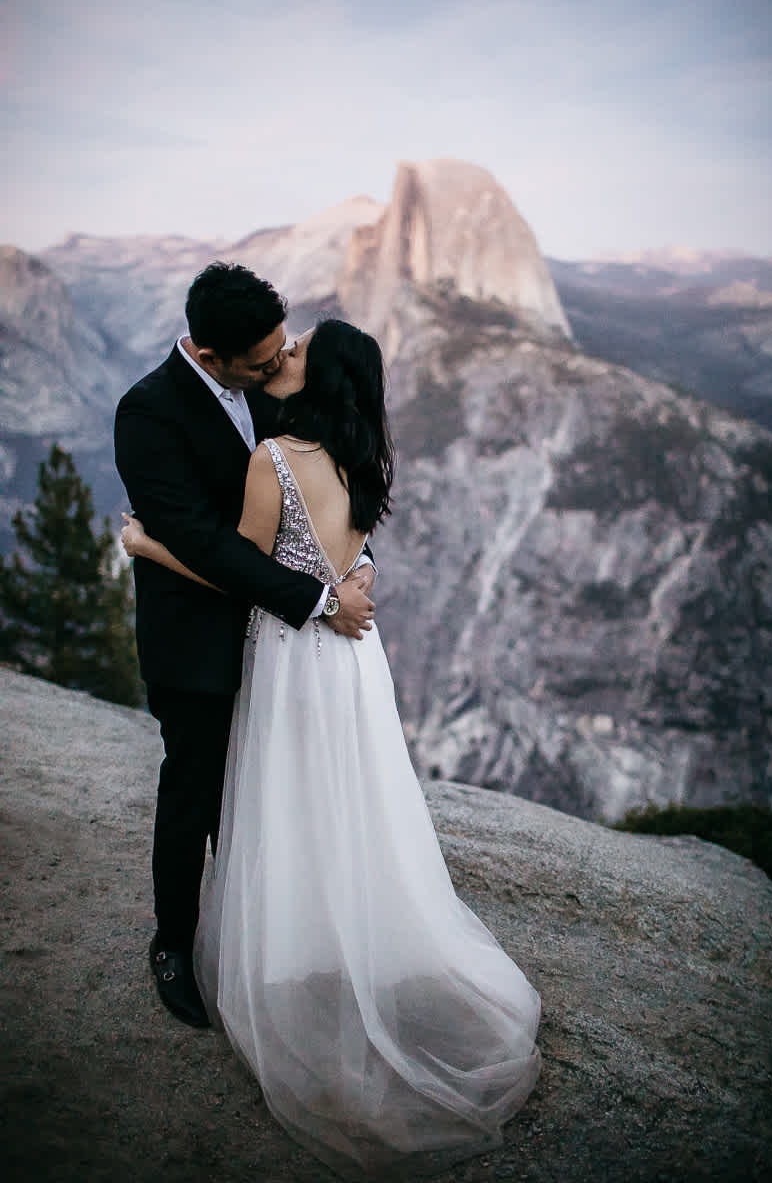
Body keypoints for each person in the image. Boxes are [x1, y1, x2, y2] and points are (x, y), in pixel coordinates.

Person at [121, 318, 542, 1179]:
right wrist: (350, 583)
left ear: (317, 380)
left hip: (289, 655)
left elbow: (237, 572)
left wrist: (144, 543)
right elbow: (342, 548)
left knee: (282, 801)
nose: (284, 356)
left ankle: (291, 955)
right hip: (352, 661)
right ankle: (345, 935)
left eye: (300, 351)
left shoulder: (273, 460)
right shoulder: (359, 457)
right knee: (344, 800)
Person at [114, 265, 376, 1029]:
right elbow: (199, 541)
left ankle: (263, 937)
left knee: (267, 796)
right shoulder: (148, 413)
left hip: (281, 644)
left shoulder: (274, 386)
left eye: (279, 354)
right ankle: (173, 944)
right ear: (204, 353)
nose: (275, 370)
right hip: (195, 638)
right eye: (259, 364)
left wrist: (353, 567)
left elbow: (330, 486)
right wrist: (318, 601)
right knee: (193, 787)